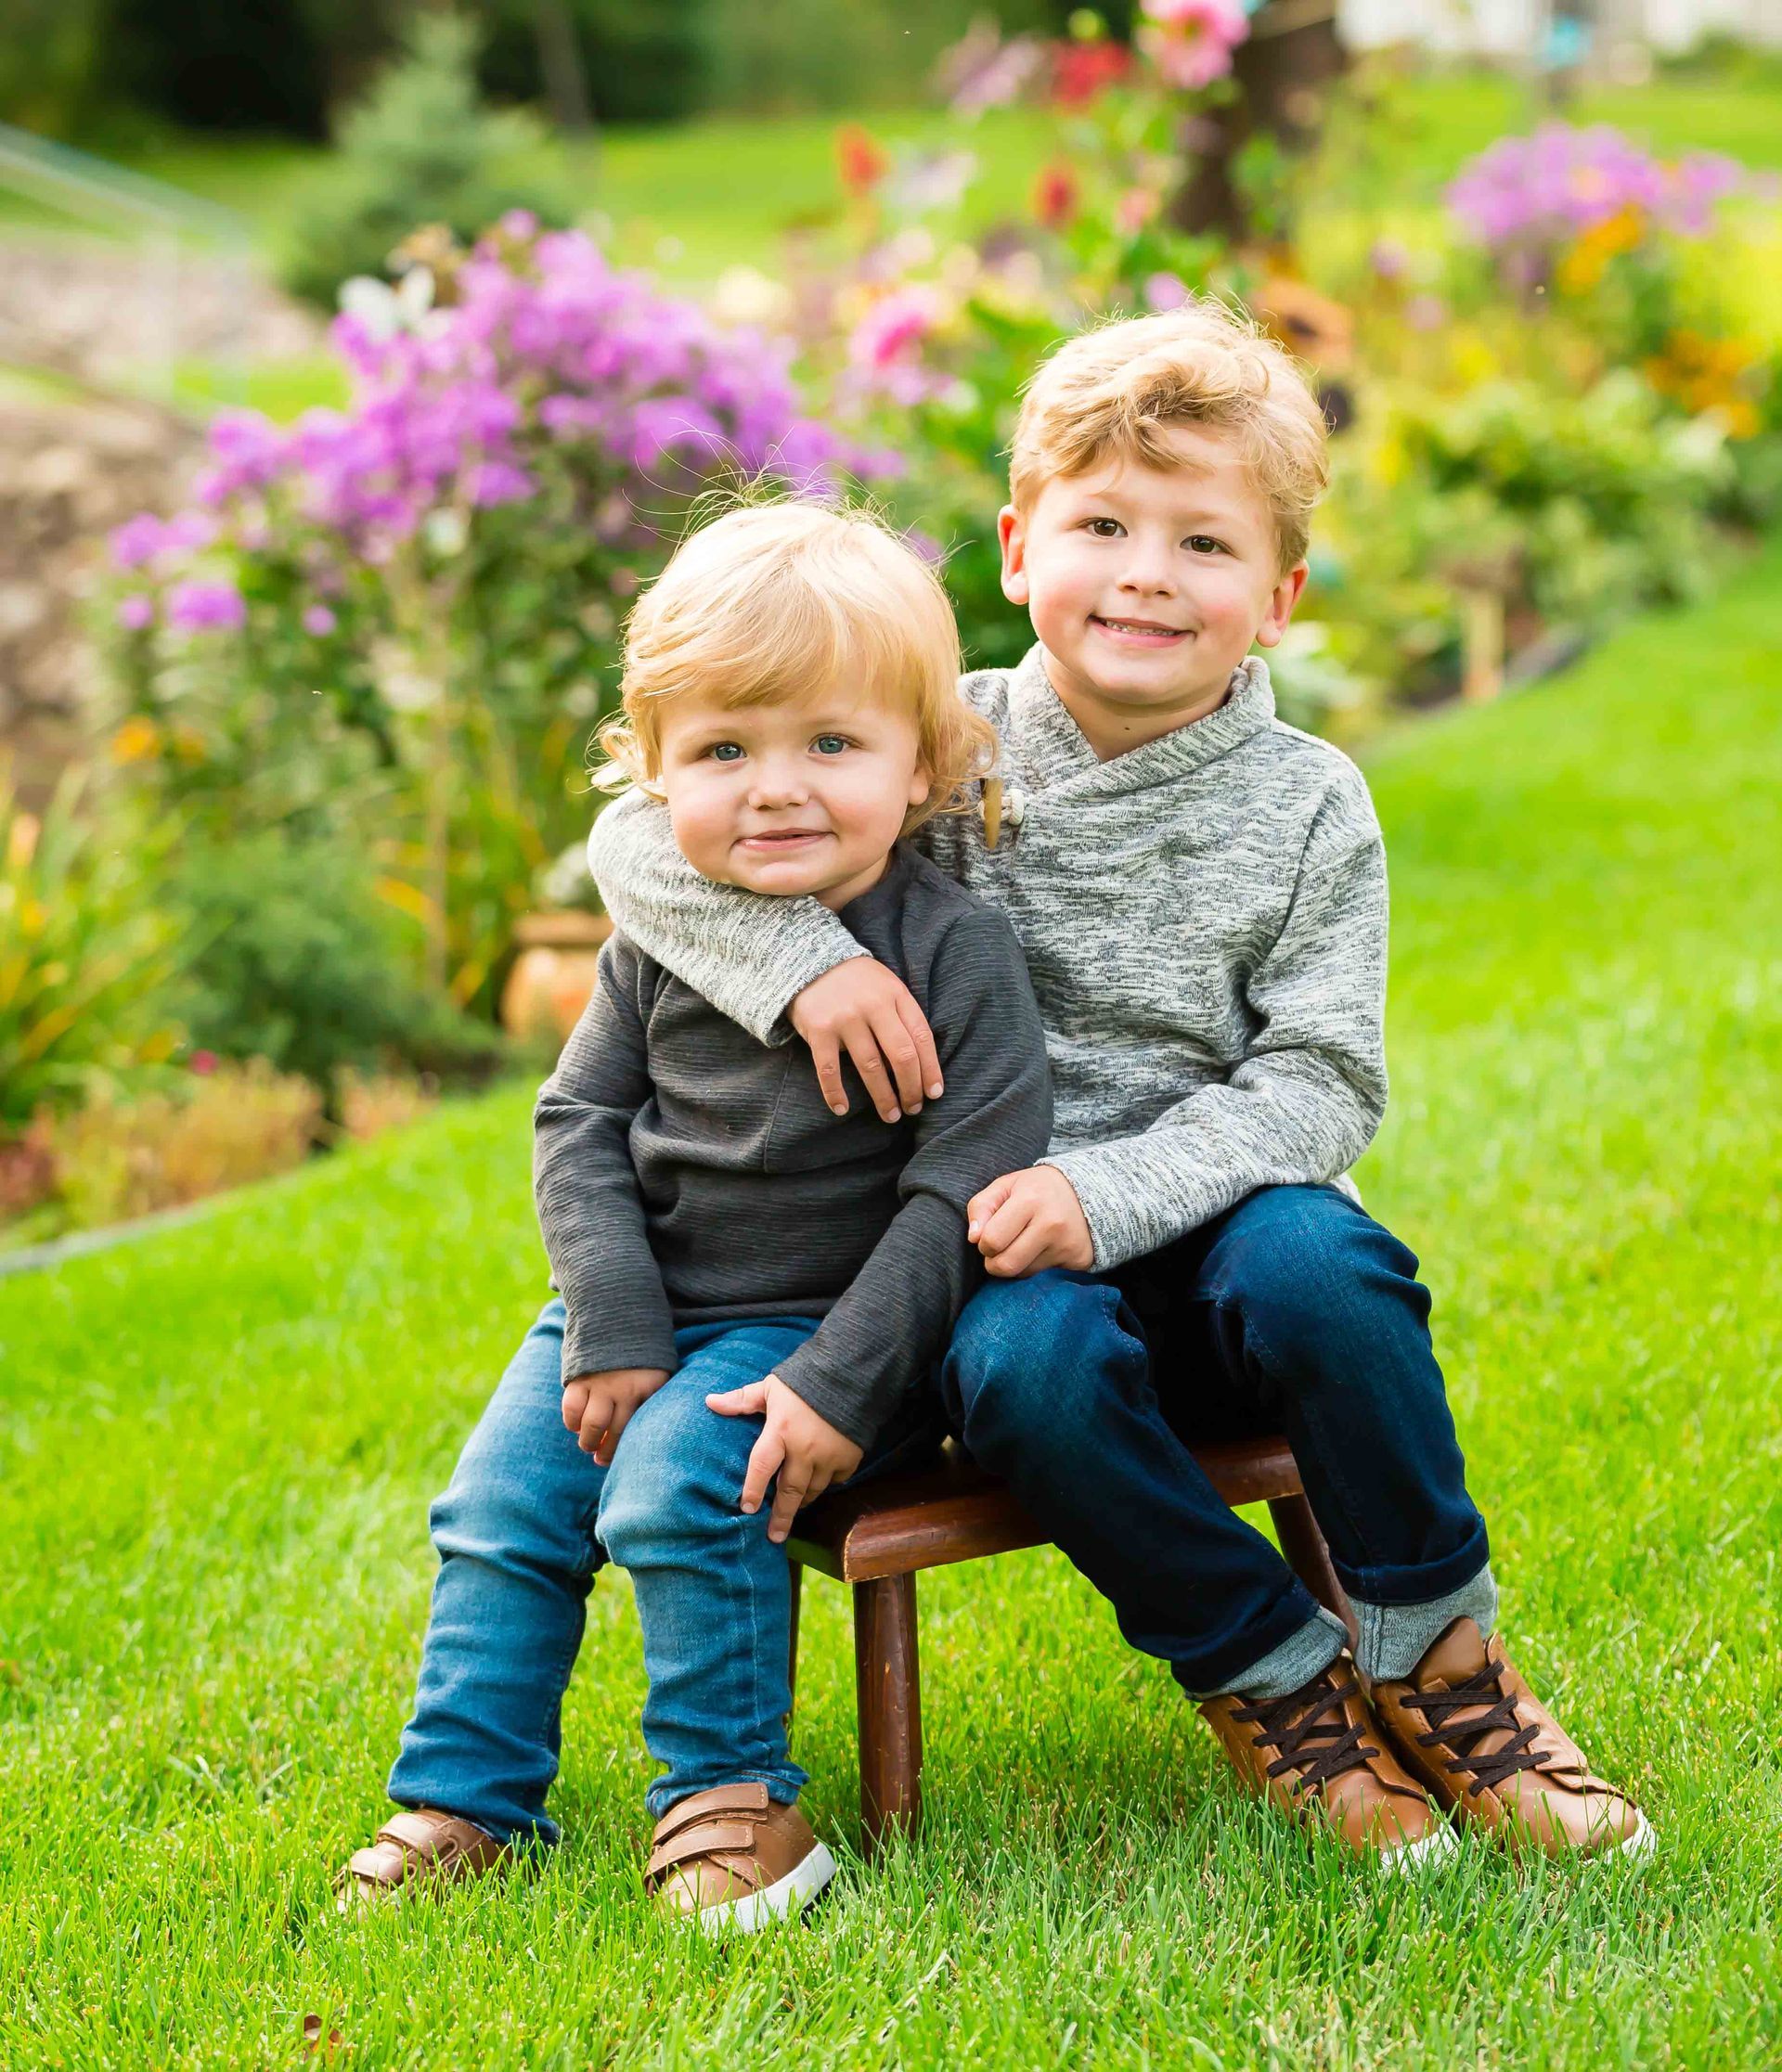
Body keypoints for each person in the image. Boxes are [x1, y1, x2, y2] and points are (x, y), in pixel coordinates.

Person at [588, 303, 1655, 1868]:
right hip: (989, 1264)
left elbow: (1320, 1078)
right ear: (1019, 550)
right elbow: (634, 836)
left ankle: (1439, 1656)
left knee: (1331, 1266)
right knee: (1026, 1365)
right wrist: (804, 963)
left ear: (1279, 594)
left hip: (1221, 1242)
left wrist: (1111, 1191)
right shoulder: (944, 747)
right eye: (1104, 524)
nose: (1149, 571)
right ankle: (1273, 1672)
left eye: (1204, 543)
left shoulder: (1309, 806)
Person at [336, 503, 1051, 1925]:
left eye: (829, 746)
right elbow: (578, 1121)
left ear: (925, 764)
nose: (775, 789)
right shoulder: (661, 936)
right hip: (637, 1306)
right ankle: (467, 1799)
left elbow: (964, 1180)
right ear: (654, 769)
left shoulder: (954, 950)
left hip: (818, 1333)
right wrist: (609, 1322)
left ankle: (730, 1801)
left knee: (681, 1485)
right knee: (499, 1507)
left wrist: (843, 1381)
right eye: (724, 750)